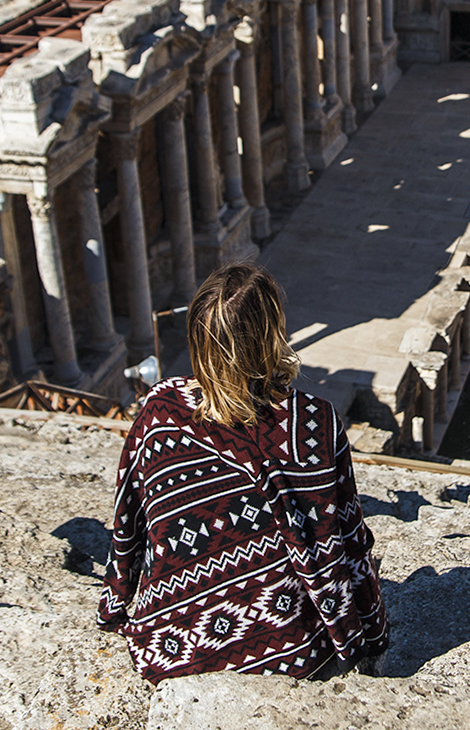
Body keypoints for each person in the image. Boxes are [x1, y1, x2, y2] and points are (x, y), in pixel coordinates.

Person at [98, 263, 389, 682]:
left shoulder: (159, 411)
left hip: (171, 652)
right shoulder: (312, 423)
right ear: (273, 333)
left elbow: (127, 525)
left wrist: (113, 607)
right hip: (290, 655)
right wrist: (373, 636)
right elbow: (349, 541)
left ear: (198, 338)